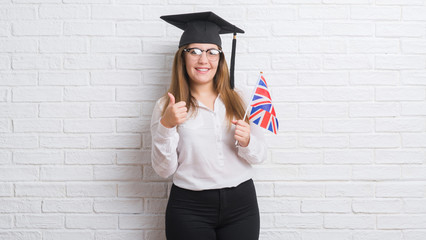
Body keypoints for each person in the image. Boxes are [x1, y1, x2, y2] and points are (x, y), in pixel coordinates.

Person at [150, 11, 267, 240]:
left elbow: (259, 156)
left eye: (212, 52)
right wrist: (167, 126)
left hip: (242, 205)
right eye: (194, 51)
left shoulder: (241, 99)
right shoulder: (167, 106)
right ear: (182, 57)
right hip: (189, 208)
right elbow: (164, 170)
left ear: (221, 58)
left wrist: (247, 141)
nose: (204, 60)